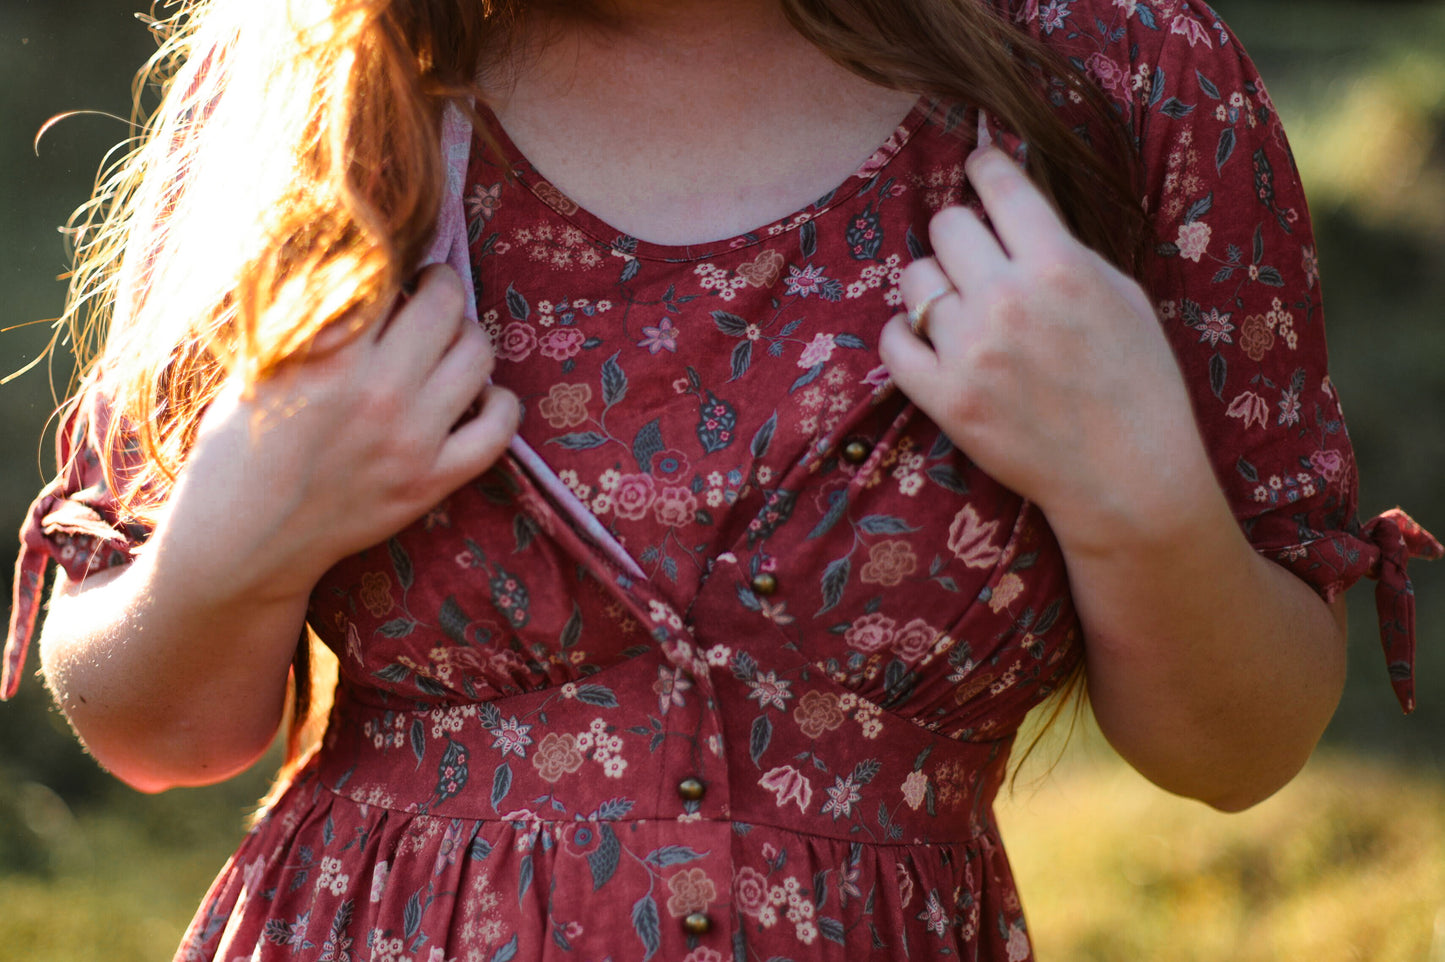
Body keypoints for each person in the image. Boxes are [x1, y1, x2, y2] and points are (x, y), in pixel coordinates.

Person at [3, 0, 1439, 959]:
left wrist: (1141, 496)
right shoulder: (322, 74)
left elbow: (1237, 747)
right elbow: (154, 727)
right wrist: (235, 538)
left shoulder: (1117, 79)